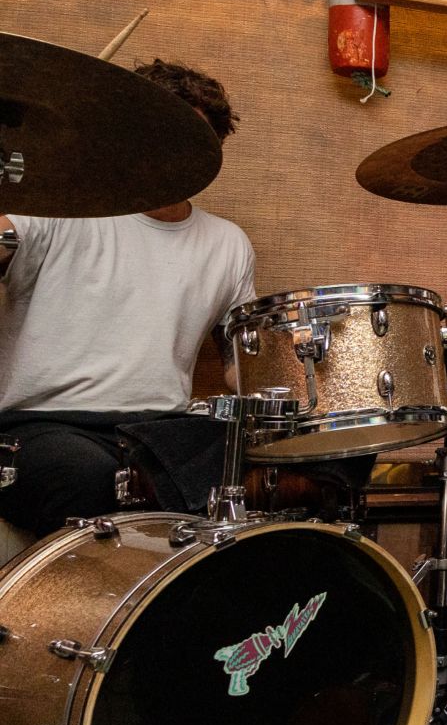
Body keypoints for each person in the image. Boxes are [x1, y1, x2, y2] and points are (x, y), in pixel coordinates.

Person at [0, 59, 256, 537]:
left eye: (193, 137)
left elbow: (239, 360)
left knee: (299, 468)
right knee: (87, 478)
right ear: (128, 129)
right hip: (43, 426)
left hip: (164, 431)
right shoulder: (56, 207)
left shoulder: (228, 243)